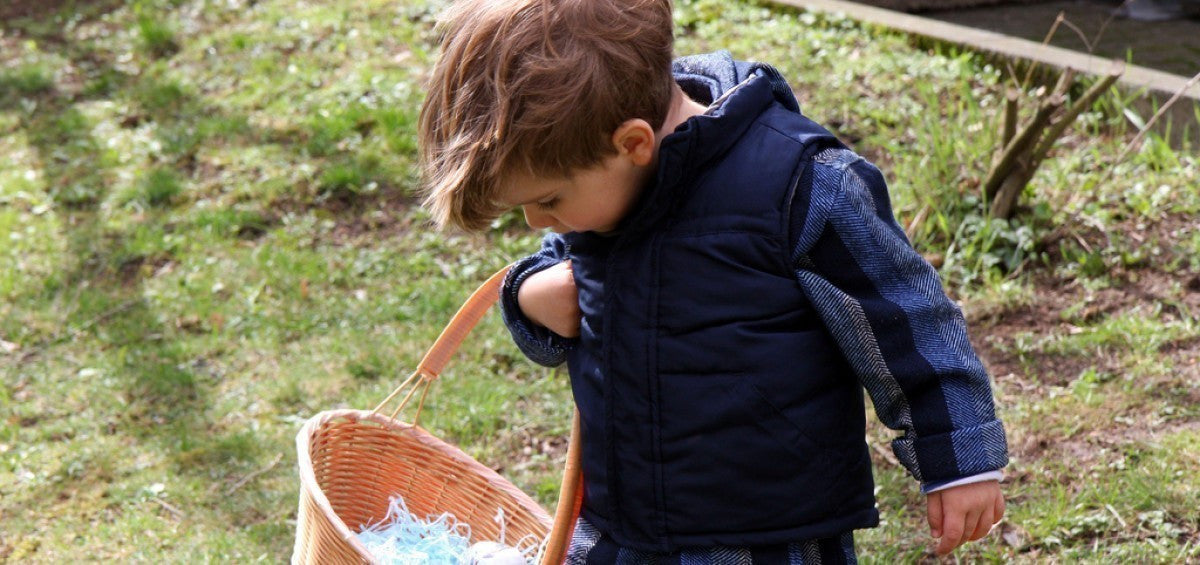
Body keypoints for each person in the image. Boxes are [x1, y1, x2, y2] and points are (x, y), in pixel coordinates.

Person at [417, 0, 1008, 562]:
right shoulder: (597, 190)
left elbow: (905, 321)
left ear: (633, 143)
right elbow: (557, 277)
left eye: (547, 200)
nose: (537, 221)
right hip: (620, 529)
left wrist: (959, 461)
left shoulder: (800, 186)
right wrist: (528, 296)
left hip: (767, 537)